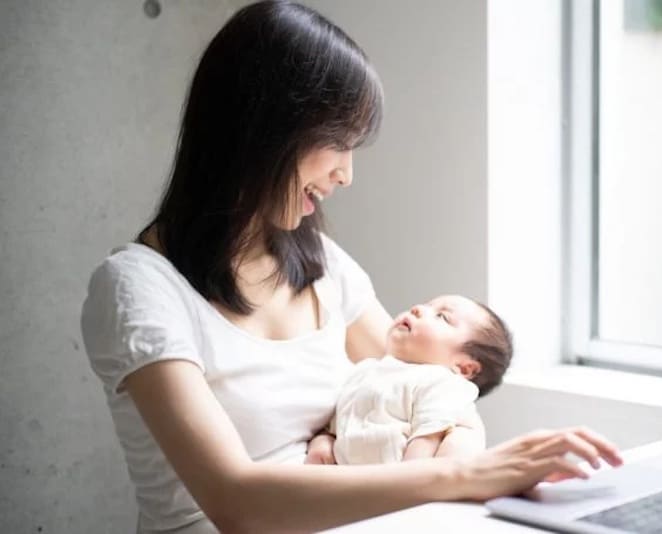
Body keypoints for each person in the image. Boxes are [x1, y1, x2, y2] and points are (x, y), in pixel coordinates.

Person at [79, 2, 623, 533]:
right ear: (263, 128)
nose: (347, 174)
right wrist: (462, 474)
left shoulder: (323, 266)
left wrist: (473, 463)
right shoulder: (138, 288)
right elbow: (235, 503)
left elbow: (431, 386)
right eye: (337, 142)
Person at [315, 295, 513, 466]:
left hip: (400, 487)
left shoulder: (441, 383)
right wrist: (324, 440)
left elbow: (429, 437)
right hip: (347, 486)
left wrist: (408, 484)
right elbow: (339, 420)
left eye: (442, 316)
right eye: (426, 305)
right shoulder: (365, 370)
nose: (418, 309)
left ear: (463, 367)